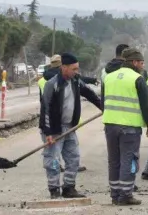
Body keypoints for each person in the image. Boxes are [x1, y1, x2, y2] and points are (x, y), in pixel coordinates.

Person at [102, 48, 148, 206]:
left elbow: (103, 102)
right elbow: (146, 105)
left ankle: (115, 194)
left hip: (110, 125)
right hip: (129, 127)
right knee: (129, 159)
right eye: (141, 62)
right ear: (133, 62)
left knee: (114, 160)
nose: (142, 65)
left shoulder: (109, 77)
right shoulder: (137, 78)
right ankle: (126, 195)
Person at [40, 53, 103, 199]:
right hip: (54, 129)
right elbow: (46, 110)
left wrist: (103, 106)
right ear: (64, 67)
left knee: (73, 157)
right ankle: (54, 190)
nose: (77, 72)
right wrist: (48, 133)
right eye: (74, 69)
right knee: (53, 160)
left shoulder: (76, 81)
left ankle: (69, 187)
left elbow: (90, 94)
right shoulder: (52, 84)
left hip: (70, 127)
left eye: (77, 69)